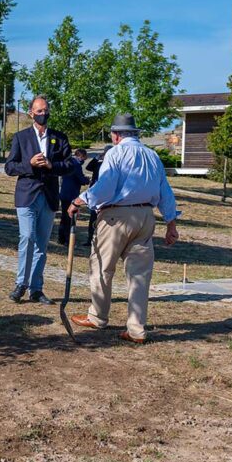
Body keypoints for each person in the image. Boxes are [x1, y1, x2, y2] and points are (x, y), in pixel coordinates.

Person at [69, 114, 180, 344]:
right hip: (145, 217)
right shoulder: (152, 156)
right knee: (139, 276)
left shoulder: (116, 153)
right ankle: (136, 329)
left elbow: (106, 186)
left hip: (116, 217)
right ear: (135, 134)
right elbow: (165, 191)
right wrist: (171, 223)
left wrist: (80, 200)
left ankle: (98, 316)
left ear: (116, 135)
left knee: (101, 266)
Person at [4, 95, 77, 304]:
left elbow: (70, 165)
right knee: (27, 237)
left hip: (49, 196)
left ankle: (36, 288)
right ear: (31, 113)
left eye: (45, 110)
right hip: (27, 195)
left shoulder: (59, 138)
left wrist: (51, 165)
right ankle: (21, 284)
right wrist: (30, 164)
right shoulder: (21, 137)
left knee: (42, 244)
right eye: (39, 111)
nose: (43, 114)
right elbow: (10, 167)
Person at [57, 148, 90, 243]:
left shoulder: (69, 163)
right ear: (81, 156)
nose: (84, 160)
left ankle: (61, 238)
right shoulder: (76, 165)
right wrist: (87, 180)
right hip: (71, 193)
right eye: (84, 157)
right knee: (69, 217)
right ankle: (67, 239)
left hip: (64, 192)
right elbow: (80, 178)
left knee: (64, 216)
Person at [83, 145, 112, 247]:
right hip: (95, 193)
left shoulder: (112, 164)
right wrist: (96, 158)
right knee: (93, 217)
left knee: (105, 218)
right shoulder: (98, 163)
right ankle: (90, 239)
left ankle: (104, 241)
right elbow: (88, 168)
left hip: (107, 194)